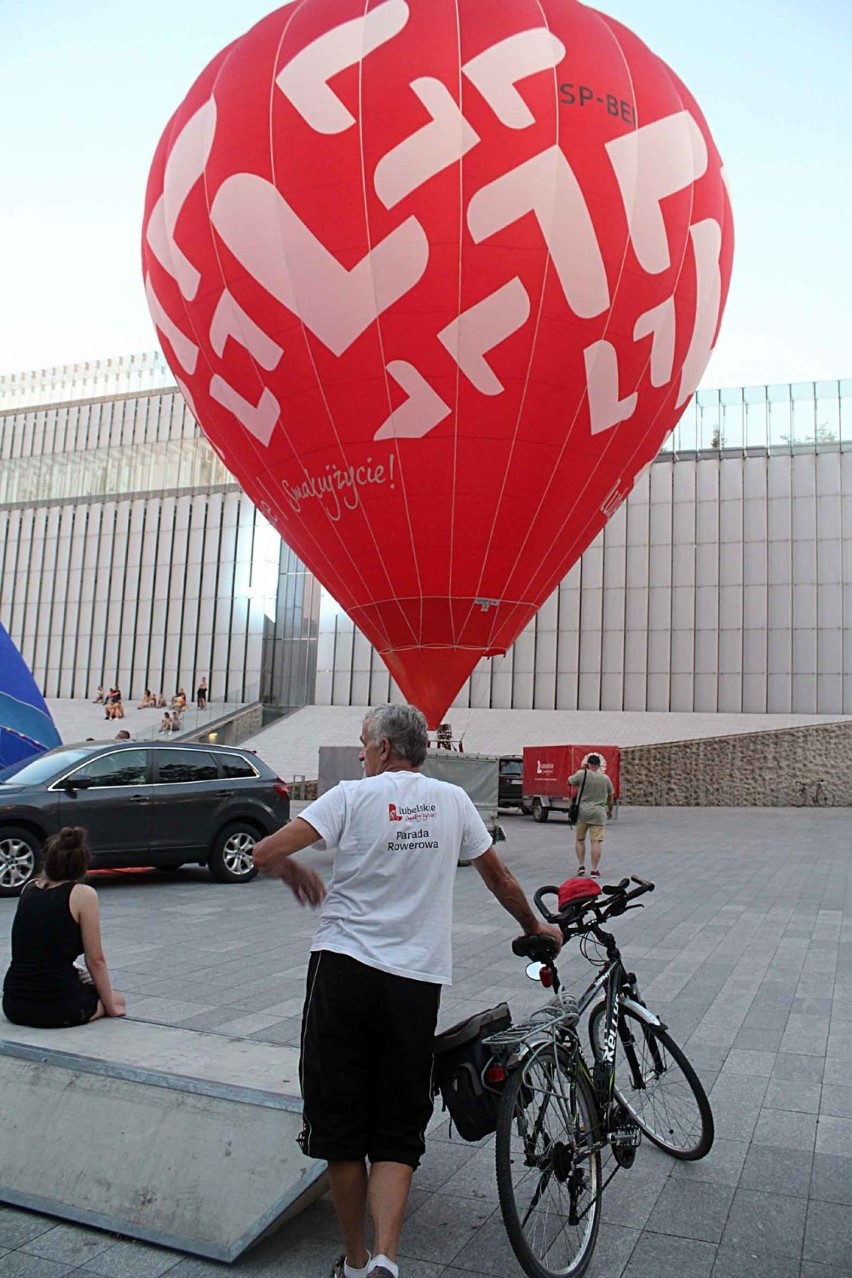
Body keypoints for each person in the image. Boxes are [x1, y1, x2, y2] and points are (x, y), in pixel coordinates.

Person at [252, 703, 562, 1278]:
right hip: (415, 982)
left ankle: (352, 1258)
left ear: (385, 748)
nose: (363, 754)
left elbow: (267, 850)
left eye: (364, 744)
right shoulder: (454, 803)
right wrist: (536, 928)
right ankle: (387, 1261)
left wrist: (294, 872)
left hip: (344, 971)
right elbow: (500, 877)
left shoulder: (351, 796)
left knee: (341, 1123)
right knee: (398, 1121)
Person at [2, 826, 126, 1028]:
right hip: (58, 1007)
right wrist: (110, 1007)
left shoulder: (29, 888)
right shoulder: (83, 894)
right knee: (117, 998)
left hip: (14, 1003)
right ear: (82, 865)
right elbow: (96, 960)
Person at [567, 753, 614, 878]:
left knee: (580, 839)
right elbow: (611, 796)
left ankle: (581, 866)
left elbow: (569, 781)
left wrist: (582, 769)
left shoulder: (582, 774)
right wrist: (610, 809)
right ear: (599, 765)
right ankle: (594, 869)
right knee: (596, 841)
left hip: (583, 812)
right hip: (599, 812)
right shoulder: (605, 778)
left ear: (588, 764)